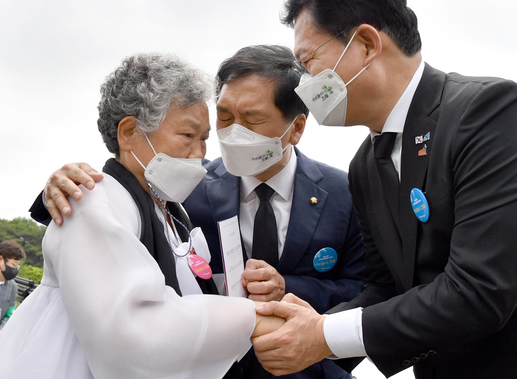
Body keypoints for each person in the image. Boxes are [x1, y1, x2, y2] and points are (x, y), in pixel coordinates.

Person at [27, 45, 367, 379]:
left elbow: (368, 291)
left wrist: (287, 289)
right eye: (224, 117)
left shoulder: (347, 193)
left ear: (295, 128)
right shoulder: (187, 186)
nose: (232, 133)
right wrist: (61, 187)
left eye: (252, 119)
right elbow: (124, 189)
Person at [251, 1, 517, 379]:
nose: (303, 84)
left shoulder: (490, 113)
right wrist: (296, 335)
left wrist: (323, 335)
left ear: (365, 44)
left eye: (308, 62)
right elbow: (386, 288)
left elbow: (480, 291)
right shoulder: (364, 166)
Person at [0, 53, 283, 379]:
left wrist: (249, 289)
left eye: (203, 140)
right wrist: (250, 318)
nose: (200, 154)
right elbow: (135, 331)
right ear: (129, 132)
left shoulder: (172, 210)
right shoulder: (91, 204)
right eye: (187, 136)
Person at [0, 241, 25, 347]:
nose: (15, 269)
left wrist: (0, 335)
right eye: (14, 264)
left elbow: (9, 315)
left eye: (17, 266)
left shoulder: (12, 286)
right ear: (0, 259)